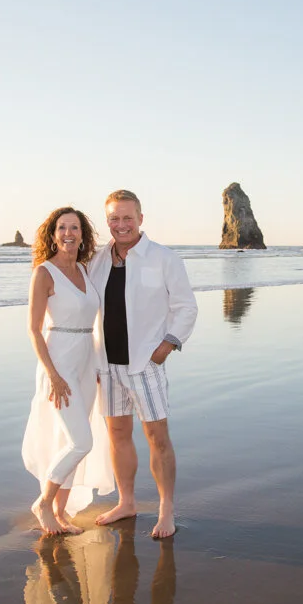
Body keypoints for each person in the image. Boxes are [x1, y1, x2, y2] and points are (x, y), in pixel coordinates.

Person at [88, 190, 198, 539]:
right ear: (108, 222)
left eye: (127, 218)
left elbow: (186, 307)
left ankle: (166, 510)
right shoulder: (97, 260)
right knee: (118, 434)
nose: (121, 225)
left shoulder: (163, 258)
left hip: (145, 364)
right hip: (107, 364)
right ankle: (127, 502)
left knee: (157, 437)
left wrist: (166, 346)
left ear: (140, 218)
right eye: (114, 219)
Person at [22, 207, 115, 535]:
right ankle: (43, 503)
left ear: (82, 234)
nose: (68, 233)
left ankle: (59, 514)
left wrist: (99, 365)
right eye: (62, 227)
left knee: (70, 438)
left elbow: (97, 323)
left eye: (74, 227)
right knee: (81, 441)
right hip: (58, 363)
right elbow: (34, 330)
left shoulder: (85, 270)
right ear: (52, 234)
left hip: (86, 362)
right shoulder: (44, 273)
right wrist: (54, 375)